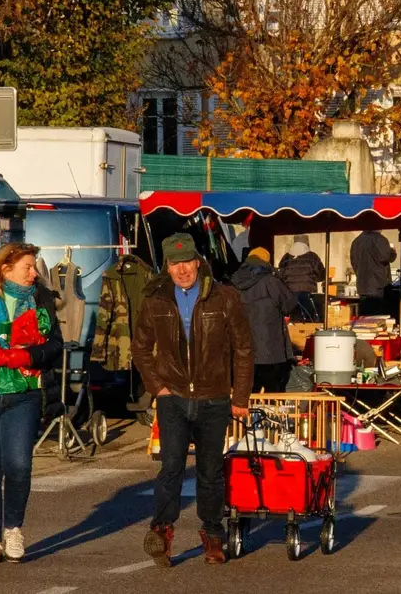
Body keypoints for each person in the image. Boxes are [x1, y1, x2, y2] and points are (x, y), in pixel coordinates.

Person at [134, 233, 254, 567]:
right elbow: (140, 348)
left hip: (214, 398)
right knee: (170, 467)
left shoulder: (224, 297)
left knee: (210, 472)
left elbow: (244, 348)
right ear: (167, 267)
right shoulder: (156, 299)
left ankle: (213, 535)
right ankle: (162, 532)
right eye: (175, 263)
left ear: (198, 262)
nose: (182, 269)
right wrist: (156, 386)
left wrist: (239, 396)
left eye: (187, 261)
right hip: (172, 398)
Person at [0, 242, 63, 563]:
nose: (35, 273)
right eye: (28, 267)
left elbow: (56, 345)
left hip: (25, 393)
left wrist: (29, 354)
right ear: (6, 268)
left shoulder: (41, 299)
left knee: (18, 465)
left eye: (34, 267)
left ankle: (13, 529)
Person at [230, 247, 296, 394]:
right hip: (272, 352)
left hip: (242, 353)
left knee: (245, 400)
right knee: (274, 400)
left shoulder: (233, 282)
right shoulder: (272, 282)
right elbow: (290, 305)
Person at [349, 230, 396, 315]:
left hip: (362, 287)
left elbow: (353, 262)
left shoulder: (356, 242)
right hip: (379, 288)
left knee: (365, 320)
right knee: (379, 320)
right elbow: (387, 257)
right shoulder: (380, 240)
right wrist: (392, 250)